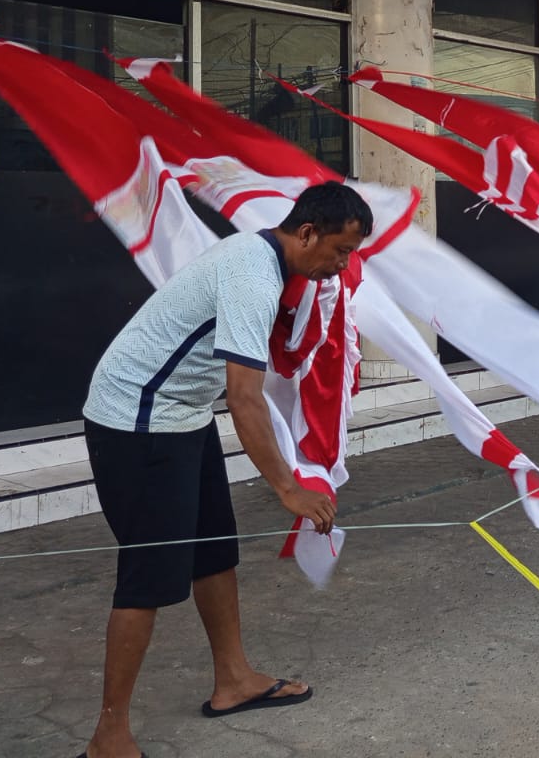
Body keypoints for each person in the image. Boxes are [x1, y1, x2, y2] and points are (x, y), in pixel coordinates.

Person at [78, 182, 372, 758]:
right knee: (150, 576)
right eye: (339, 251)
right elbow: (245, 396)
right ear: (307, 233)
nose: (341, 266)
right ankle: (108, 735)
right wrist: (287, 488)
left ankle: (233, 680)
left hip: (182, 415)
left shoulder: (269, 263)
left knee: (215, 551)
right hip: (137, 420)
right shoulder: (253, 274)